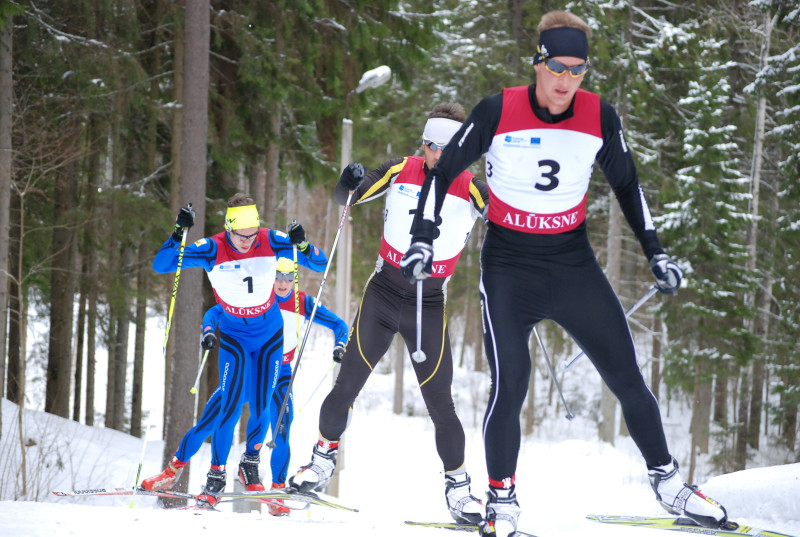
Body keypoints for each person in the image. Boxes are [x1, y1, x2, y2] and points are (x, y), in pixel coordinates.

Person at [400, 11, 728, 537]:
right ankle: (501, 500)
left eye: (578, 70)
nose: (565, 80)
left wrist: (656, 253)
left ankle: (668, 482)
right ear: (539, 62)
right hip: (508, 264)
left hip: (572, 263)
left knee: (626, 374)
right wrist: (422, 236)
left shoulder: (600, 116)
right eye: (557, 66)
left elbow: (628, 186)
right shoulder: (497, 110)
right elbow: (442, 175)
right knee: (511, 385)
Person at [288, 103, 490, 525]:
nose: (436, 155)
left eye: (445, 147)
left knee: (442, 405)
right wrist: (347, 181)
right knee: (345, 387)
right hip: (383, 295)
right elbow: (346, 198)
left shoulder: (471, 185)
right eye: (430, 146)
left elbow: (502, 219)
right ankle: (321, 462)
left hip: (429, 305)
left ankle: (459, 490)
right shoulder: (401, 169)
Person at [150, 194, 327, 508]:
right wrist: (179, 231)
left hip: (270, 334)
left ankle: (250, 466)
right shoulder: (212, 248)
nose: (248, 241)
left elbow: (319, 263)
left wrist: (301, 245)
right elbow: (162, 264)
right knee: (229, 409)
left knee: (261, 408)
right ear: (228, 227)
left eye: (252, 234)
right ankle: (215, 477)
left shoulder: (271, 239)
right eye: (241, 235)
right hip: (233, 335)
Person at [142, 259, 347, 516]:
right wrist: (208, 330)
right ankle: (170, 473)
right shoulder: (253, 298)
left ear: (295, 279)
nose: (283, 284)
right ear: (269, 277)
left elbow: (340, 325)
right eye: (278, 278)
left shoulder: (301, 302)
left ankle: (276, 494)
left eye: (288, 278)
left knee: (281, 432)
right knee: (209, 422)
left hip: (281, 374)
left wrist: (340, 344)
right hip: (247, 372)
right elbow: (215, 312)